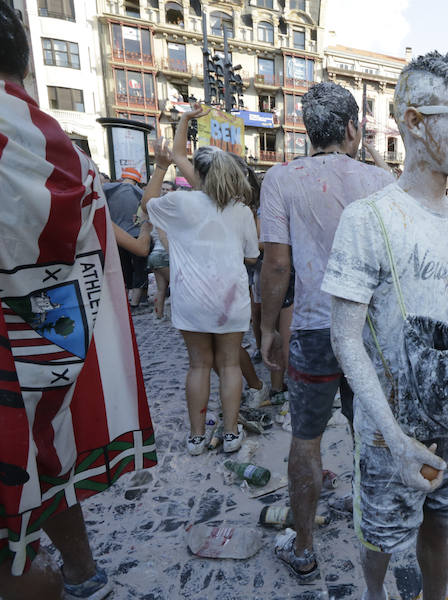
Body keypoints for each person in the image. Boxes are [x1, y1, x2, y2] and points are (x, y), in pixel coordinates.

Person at [323, 50, 448, 600]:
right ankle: (375, 595)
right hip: (389, 423)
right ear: (416, 121)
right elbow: (345, 336)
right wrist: (394, 440)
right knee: (378, 532)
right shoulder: (369, 218)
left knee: (443, 520)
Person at [0, 5, 155, 598]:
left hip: (19, 348)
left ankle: (59, 575)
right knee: (48, 453)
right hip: (58, 338)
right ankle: (83, 573)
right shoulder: (63, 153)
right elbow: (132, 244)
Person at [258, 81, 394, 582]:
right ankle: (375, 534)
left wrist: (269, 328)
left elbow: (276, 266)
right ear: (352, 128)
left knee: (306, 439)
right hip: (370, 333)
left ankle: (305, 548)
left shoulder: (281, 179)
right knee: (371, 434)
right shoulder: (381, 183)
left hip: (314, 329)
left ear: (307, 129)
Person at [143, 134, 259, 456]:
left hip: (191, 300)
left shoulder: (181, 202)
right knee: (230, 364)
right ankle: (232, 432)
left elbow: (146, 204)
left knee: (198, 365)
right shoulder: (241, 211)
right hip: (231, 300)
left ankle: (196, 437)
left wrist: (159, 168)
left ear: (199, 173)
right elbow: (252, 257)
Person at [104, 166, 148, 309]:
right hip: (136, 237)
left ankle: (123, 302)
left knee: (123, 269)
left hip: (116, 237)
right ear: (137, 180)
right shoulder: (140, 193)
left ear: (122, 177)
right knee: (139, 270)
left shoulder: (107, 190)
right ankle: (135, 303)